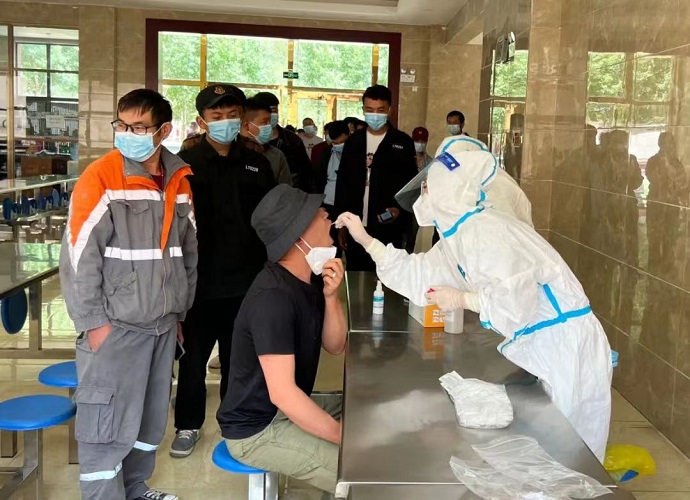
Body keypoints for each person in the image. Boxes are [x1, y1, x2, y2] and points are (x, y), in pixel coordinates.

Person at [335, 146, 613, 462]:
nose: (424, 192)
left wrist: (462, 299)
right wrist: (367, 241)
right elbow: (419, 275)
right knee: (546, 445)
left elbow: (515, 302)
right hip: (545, 345)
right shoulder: (457, 236)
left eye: (429, 185)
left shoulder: (486, 230)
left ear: (448, 188)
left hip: (567, 347)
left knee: (568, 450)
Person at [60, 89, 198, 500]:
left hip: (162, 325)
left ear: (164, 131)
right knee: (106, 426)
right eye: (121, 125)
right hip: (116, 326)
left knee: (148, 421)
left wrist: (179, 313)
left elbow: (188, 251)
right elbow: (79, 256)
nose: (126, 134)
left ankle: (135, 490)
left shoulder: (179, 179)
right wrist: (93, 324)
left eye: (138, 127)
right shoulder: (101, 176)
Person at [218, 184, 346, 495]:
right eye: (318, 213)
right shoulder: (273, 299)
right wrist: (343, 436)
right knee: (356, 470)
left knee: (361, 411)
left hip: (282, 412)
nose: (327, 216)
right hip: (258, 430)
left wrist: (331, 297)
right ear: (299, 236)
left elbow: (335, 345)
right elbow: (284, 395)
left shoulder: (305, 281)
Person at [171, 84, 276, 459]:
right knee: (193, 361)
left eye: (232, 116)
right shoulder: (184, 166)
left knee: (239, 362)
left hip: (246, 283)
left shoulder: (257, 163)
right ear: (202, 122)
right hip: (199, 285)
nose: (226, 122)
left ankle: (236, 426)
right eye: (217, 116)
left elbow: (271, 220)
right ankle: (187, 424)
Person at [334, 84, 418, 271]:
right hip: (356, 225)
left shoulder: (402, 142)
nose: (375, 115)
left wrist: (399, 210)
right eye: (370, 110)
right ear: (363, 109)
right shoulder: (354, 141)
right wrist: (342, 225)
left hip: (387, 227)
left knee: (386, 274)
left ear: (390, 110)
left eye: (380, 110)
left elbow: (411, 186)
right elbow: (343, 184)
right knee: (356, 274)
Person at [254, 92, 314, 191]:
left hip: (288, 193)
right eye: (266, 111)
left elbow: (305, 171)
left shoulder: (292, 140)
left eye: (273, 110)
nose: (269, 115)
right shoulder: (249, 140)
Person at [240, 97, 293, 186]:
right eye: (264, 123)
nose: (269, 127)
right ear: (246, 125)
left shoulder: (276, 155)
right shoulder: (230, 152)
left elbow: (286, 189)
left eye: (270, 122)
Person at [316, 120, 349, 229]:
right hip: (328, 202)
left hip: (346, 204)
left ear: (348, 135)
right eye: (335, 143)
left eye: (341, 142)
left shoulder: (355, 154)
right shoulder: (326, 154)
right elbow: (319, 179)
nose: (337, 145)